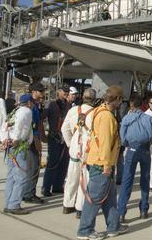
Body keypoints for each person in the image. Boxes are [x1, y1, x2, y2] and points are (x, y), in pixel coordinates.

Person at [77, 85, 128, 240]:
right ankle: (85, 230)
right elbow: (105, 142)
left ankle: (113, 226)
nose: (121, 103)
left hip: (104, 162)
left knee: (110, 197)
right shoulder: (106, 116)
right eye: (121, 100)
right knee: (95, 198)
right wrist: (106, 165)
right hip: (101, 164)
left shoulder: (101, 110)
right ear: (118, 99)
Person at [117, 94, 152, 222]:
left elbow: (122, 139)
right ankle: (143, 210)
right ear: (143, 105)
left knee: (127, 181)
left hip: (131, 150)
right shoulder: (149, 119)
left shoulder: (126, 119)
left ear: (131, 105)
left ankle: (121, 213)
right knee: (145, 181)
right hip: (145, 149)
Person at [62, 88, 98, 218]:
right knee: (84, 179)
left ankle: (67, 204)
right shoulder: (95, 113)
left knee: (71, 177)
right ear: (94, 99)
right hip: (87, 151)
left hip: (74, 149)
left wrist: (70, 143)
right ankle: (80, 208)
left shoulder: (73, 110)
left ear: (83, 97)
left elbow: (64, 128)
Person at [2, 93, 34, 214]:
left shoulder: (15, 110)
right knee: (21, 176)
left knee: (11, 176)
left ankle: (8, 203)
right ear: (29, 103)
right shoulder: (26, 111)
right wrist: (17, 139)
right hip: (19, 145)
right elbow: (21, 125)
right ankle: (14, 205)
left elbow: (7, 125)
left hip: (10, 145)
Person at [42, 85, 70, 197]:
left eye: (67, 91)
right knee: (52, 163)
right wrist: (42, 134)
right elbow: (42, 118)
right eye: (64, 91)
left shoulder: (68, 105)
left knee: (64, 163)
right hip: (54, 136)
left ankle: (58, 186)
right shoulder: (51, 104)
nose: (66, 93)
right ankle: (46, 187)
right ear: (59, 92)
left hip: (64, 138)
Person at [23, 82, 46, 204]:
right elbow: (31, 126)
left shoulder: (36, 105)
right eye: (40, 91)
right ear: (34, 92)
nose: (42, 94)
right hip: (31, 140)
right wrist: (37, 140)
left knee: (33, 167)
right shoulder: (30, 105)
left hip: (33, 139)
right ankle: (28, 194)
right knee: (33, 167)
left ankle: (28, 192)